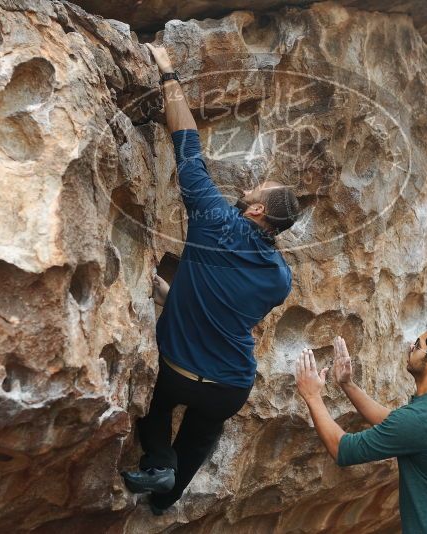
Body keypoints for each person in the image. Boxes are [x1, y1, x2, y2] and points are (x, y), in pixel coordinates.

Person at [121, 43, 301, 515]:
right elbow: (222, 307)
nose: (249, 185)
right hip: (230, 385)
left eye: (257, 188)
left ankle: (159, 461)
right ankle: (165, 499)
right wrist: (174, 294)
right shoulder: (280, 278)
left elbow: (187, 144)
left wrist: (168, 73)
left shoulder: (213, 218)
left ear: (258, 209)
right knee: (202, 437)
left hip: (178, 373)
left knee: (157, 408)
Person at [294, 320, 427, 533]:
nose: (411, 347)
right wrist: (348, 384)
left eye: (418, 346)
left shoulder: (420, 420)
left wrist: (311, 395)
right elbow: (395, 425)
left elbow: (343, 449)